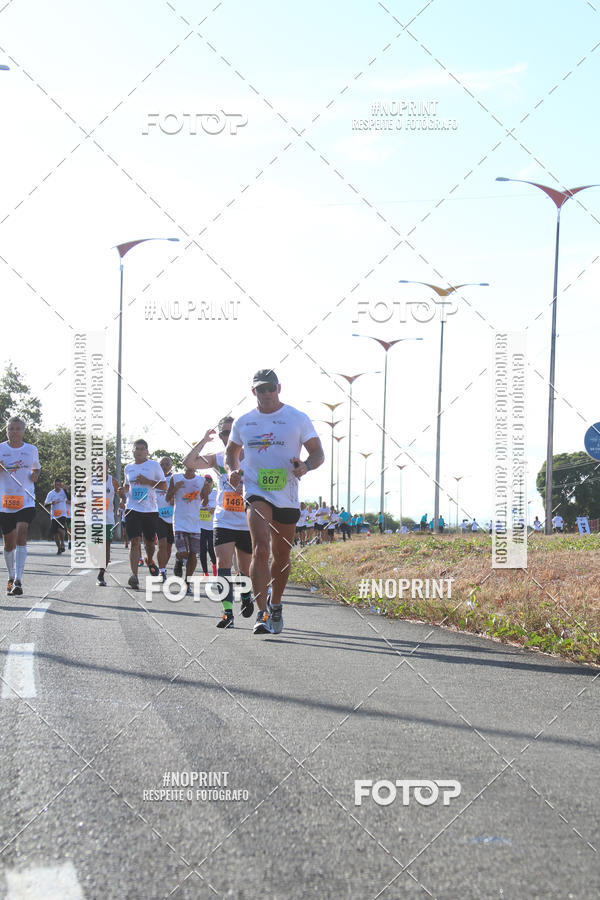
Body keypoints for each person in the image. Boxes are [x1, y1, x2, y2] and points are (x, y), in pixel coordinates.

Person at [225, 369, 324, 635]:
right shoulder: (244, 422)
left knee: (281, 554)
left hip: (286, 492)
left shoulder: (296, 418)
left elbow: (318, 453)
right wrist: (232, 470)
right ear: (253, 391)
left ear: (279, 388)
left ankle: (276, 603)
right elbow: (230, 452)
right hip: (256, 489)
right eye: (261, 389)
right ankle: (262, 612)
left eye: (270, 388)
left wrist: (305, 466)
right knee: (260, 547)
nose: (266, 393)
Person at [183, 418, 254, 628]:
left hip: (247, 520)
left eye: (230, 432)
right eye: (223, 433)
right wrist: (204, 440)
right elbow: (188, 462)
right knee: (223, 564)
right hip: (223, 519)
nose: (226, 436)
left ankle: (247, 594)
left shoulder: (252, 457)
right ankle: (228, 613)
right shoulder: (218, 458)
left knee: (245, 569)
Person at [0, 417, 41, 596]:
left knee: (21, 532)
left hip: (26, 500)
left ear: (23, 431)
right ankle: (10, 575)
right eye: (11, 429)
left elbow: (36, 468)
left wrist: (35, 474)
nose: (14, 432)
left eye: (18, 429)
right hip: (5, 501)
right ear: (6, 430)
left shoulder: (31, 450)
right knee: (9, 544)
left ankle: (18, 579)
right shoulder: (1, 449)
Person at [118, 439, 165, 590]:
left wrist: (148, 481)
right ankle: (134, 576)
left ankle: (150, 560)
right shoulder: (128, 468)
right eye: (136, 448)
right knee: (135, 541)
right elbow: (126, 487)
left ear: (147, 452)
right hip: (132, 508)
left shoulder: (154, 465)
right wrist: (121, 494)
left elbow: (163, 486)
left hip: (150, 510)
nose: (138, 451)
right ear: (132, 451)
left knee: (150, 543)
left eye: (142, 449)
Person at [166, 464, 205, 594]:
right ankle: (178, 558)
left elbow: (205, 501)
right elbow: (167, 498)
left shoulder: (201, 481)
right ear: (185, 465)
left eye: (193, 465)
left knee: (193, 554)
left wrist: (206, 491)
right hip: (179, 522)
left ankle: (187, 582)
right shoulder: (175, 478)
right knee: (184, 553)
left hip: (195, 522)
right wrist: (175, 489)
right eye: (188, 465)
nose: (190, 467)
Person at [96, 460, 119, 587]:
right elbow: (79, 495)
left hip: (108, 518)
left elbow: (120, 493)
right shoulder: (89, 481)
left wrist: (122, 501)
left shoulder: (113, 481)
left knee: (106, 545)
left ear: (107, 467)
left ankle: (101, 574)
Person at [155, 456, 175, 582]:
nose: (164, 466)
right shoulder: (154, 479)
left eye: (167, 464)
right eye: (162, 464)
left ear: (171, 466)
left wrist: (175, 499)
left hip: (172, 517)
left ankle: (163, 566)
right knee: (161, 544)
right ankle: (161, 571)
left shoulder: (174, 479)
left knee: (168, 547)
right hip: (158, 515)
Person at [199, 476, 217, 576]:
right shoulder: (198, 494)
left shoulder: (216, 493)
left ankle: (215, 570)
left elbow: (221, 505)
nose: (207, 484)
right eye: (205, 482)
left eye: (209, 482)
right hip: (200, 526)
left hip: (212, 526)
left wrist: (215, 509)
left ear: (211, 483)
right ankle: (205, 573)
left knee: (211, 549)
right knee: (202, 550)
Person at [44, 477, 68, 554]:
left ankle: (63, 543)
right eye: (56, 485)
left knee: (61, 529)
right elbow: (45, 504)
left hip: (62, 514)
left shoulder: (63, 492)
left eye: (59, 484)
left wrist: (67, 490)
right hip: (54, 515)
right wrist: (51, 502)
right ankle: (59, 548)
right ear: (53, 485)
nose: (57, 486)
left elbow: (70, 498)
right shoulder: (51, 493)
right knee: (55, 533)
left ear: (60, 485)